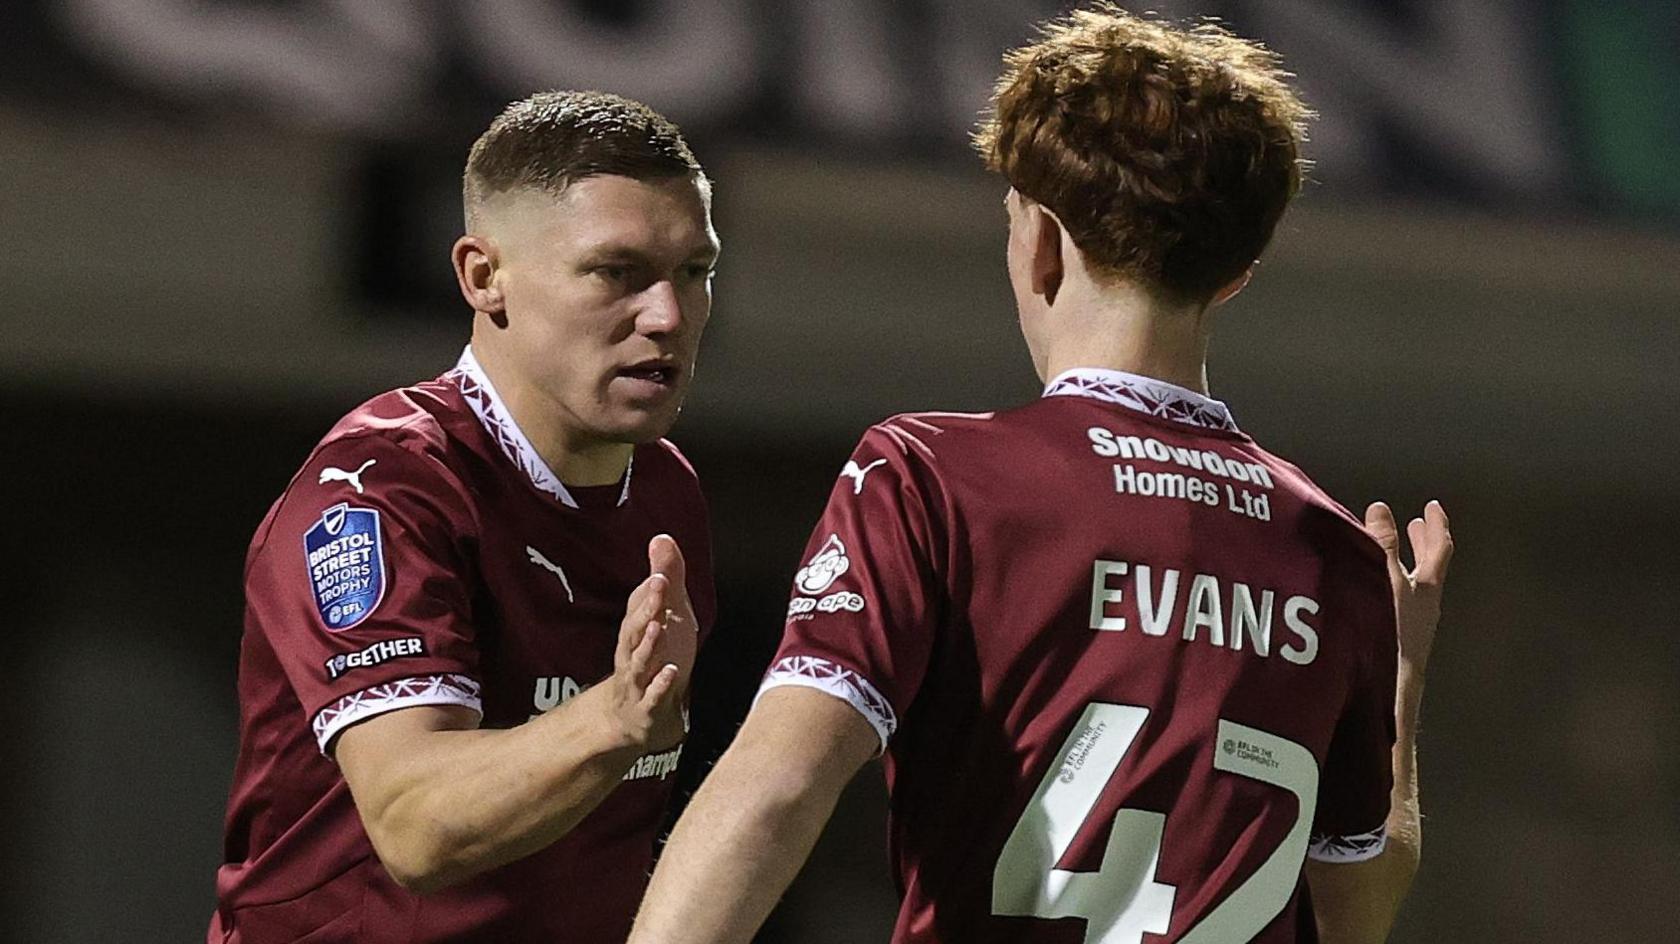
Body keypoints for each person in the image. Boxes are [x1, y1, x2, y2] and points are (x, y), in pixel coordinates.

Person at [630, 7, 1452, 944]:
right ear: (1235, 274)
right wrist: (1403, 676)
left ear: (1045, 244)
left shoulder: (929, 479)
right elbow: (1358, 912)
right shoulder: (1338, 556)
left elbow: (777, 787)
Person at [210, 90, 720, 943]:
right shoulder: (377, 491)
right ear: (485, 278)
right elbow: (418, 823)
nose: (668, 316)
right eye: (617, 272)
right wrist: (615, 716)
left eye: (696, 272)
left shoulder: (666, 492)